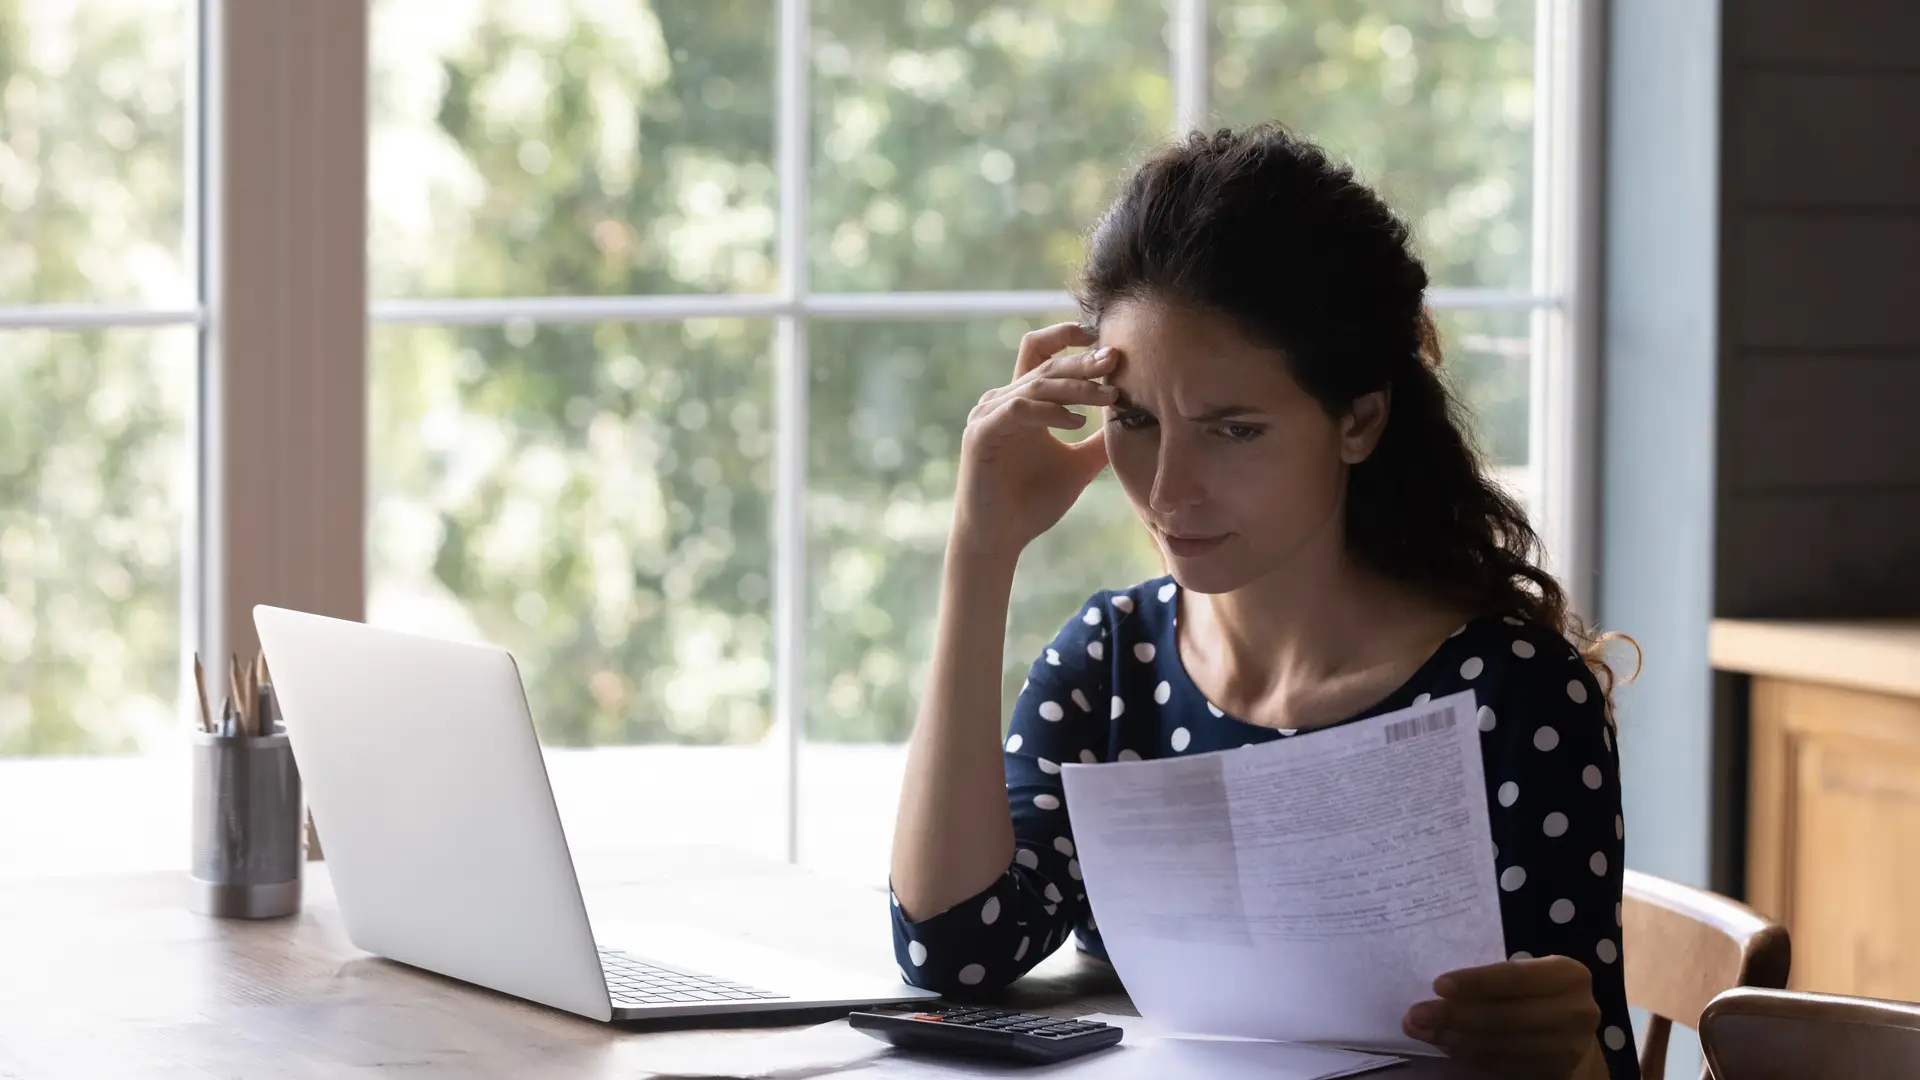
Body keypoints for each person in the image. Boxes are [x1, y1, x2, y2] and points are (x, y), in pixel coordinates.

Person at [886, 125, 1638, 1080]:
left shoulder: (1513, 695)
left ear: (1358, 420)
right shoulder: (1112, 663)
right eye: (1135, 420)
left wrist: (1564, 1051)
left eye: (1233, 430)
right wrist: (979, 551)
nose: (1166, 492)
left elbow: (1597, 1059)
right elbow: (952, 950)